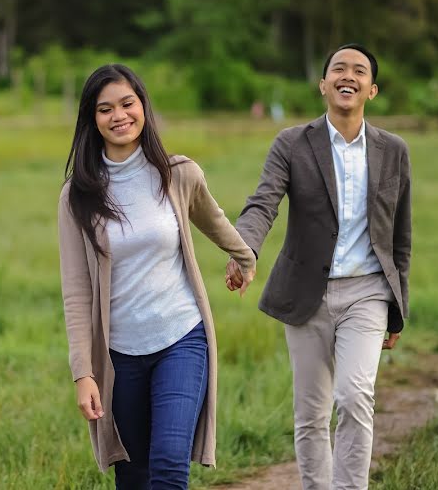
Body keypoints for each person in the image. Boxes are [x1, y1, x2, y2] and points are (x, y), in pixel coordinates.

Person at [58, 64, 256, 489]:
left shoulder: (178, 174)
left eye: (127, 103)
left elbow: (213, 219)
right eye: (105, 109)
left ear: (143, 106)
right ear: (92, 120)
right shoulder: (78, 195)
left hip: (181, 337)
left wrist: (243, 256)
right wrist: (83, 373)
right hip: (119, 355)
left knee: (169, 464)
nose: (119, 116)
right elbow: (76, 291)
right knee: (133, 475)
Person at [226, 44, 411, 490]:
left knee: (354, 398)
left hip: (367, 292)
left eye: (360, 71)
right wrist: (243, 249)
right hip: (307, 292)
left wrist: (398, 306)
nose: (349, 75)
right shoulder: (292, 143)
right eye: (339, 69)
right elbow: (263, 202)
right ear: (324, 84)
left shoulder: (393, 150)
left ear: (372, 89)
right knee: (311, 412)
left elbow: (400, 232)